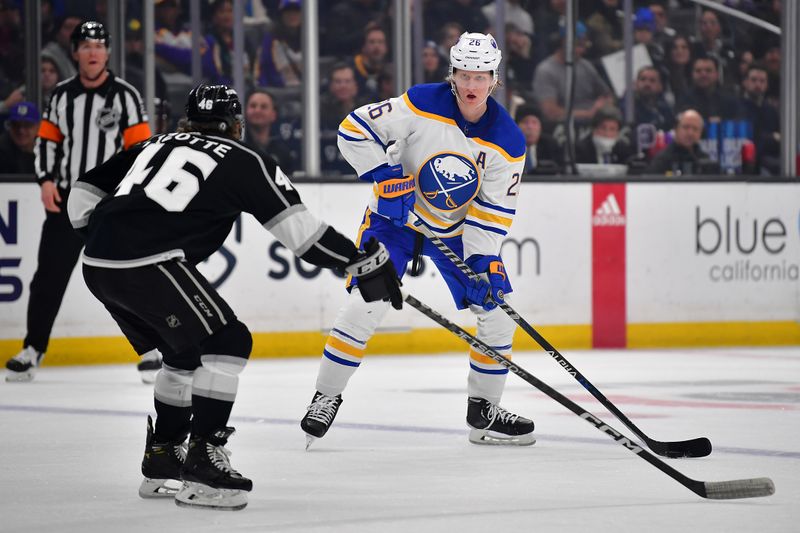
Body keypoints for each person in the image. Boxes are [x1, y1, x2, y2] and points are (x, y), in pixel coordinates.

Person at [66, 83, 402, 510]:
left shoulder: (154, 143)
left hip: (98, 264)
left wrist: (102, 238)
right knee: (227, 342)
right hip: (151, 261)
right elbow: (301, 235)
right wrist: (358, 261)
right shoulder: (245, 159)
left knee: (183, 354)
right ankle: (203, 464)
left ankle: (164, 457)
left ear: (188, 120)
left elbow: (81, 193)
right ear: (236, 124)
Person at [300, 32, 535, 448]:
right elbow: (353, 128)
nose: (471, 85)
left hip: (458, 232)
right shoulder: (423, 101)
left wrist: (485, 261)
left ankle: (484, 412)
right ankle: (326, 396)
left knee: (497, 313)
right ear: (453, 73)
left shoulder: (509, 140)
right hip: (394, 222)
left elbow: (491, 210)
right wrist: (383, 175)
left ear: (494, 79)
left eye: (480, 76)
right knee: (365, 302)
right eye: (464, 74)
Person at [4, 21, 158, 383]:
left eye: (99, 46)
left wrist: (130, 199)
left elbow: (142, 152)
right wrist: (44, 181)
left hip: (110, 209)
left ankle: (151, 349)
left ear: (107, 53)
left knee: (128, 281)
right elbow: (47, 143)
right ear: (74, 52)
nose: (92, 52)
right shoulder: (60, 96)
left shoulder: (126, 96)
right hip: (67, 203)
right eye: (85, 45)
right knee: (47, 280)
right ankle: (33, 349)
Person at [532, 21, 614, 131]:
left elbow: (607, 95)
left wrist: (603, 105)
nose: (582, 50)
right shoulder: (546, 70)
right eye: (578, 45)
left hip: (594, 125)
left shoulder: (585, 65)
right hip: (563, 128)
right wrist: (588, 114)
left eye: (584, 45)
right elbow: (550, 112)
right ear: (564, 42)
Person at [645, 109, 720, 175]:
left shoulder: (705, 161)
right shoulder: (662, 161)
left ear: (701, 133)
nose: (690, 133)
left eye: (695, 129)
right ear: (676, 129)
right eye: (686, 127)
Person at [243, 88, 294, 173]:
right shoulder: (237, 147)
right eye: (253, 106)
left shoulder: (283, 153)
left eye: (263, 107)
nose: (257, 110)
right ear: (245, 111)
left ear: (273, 115)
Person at [514, 104, 562, 174]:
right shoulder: (509, 147)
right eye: (525, 122)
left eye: (534, 122)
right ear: (517, 126)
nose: (530, 127)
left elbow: (560, 170)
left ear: (540, 127)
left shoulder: (551, 146)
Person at [0, 101, 39, 174]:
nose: (21, 130)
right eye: (16, 125)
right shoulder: (2, 151)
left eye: (27, 125)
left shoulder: (48, 151)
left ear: (37, 127)